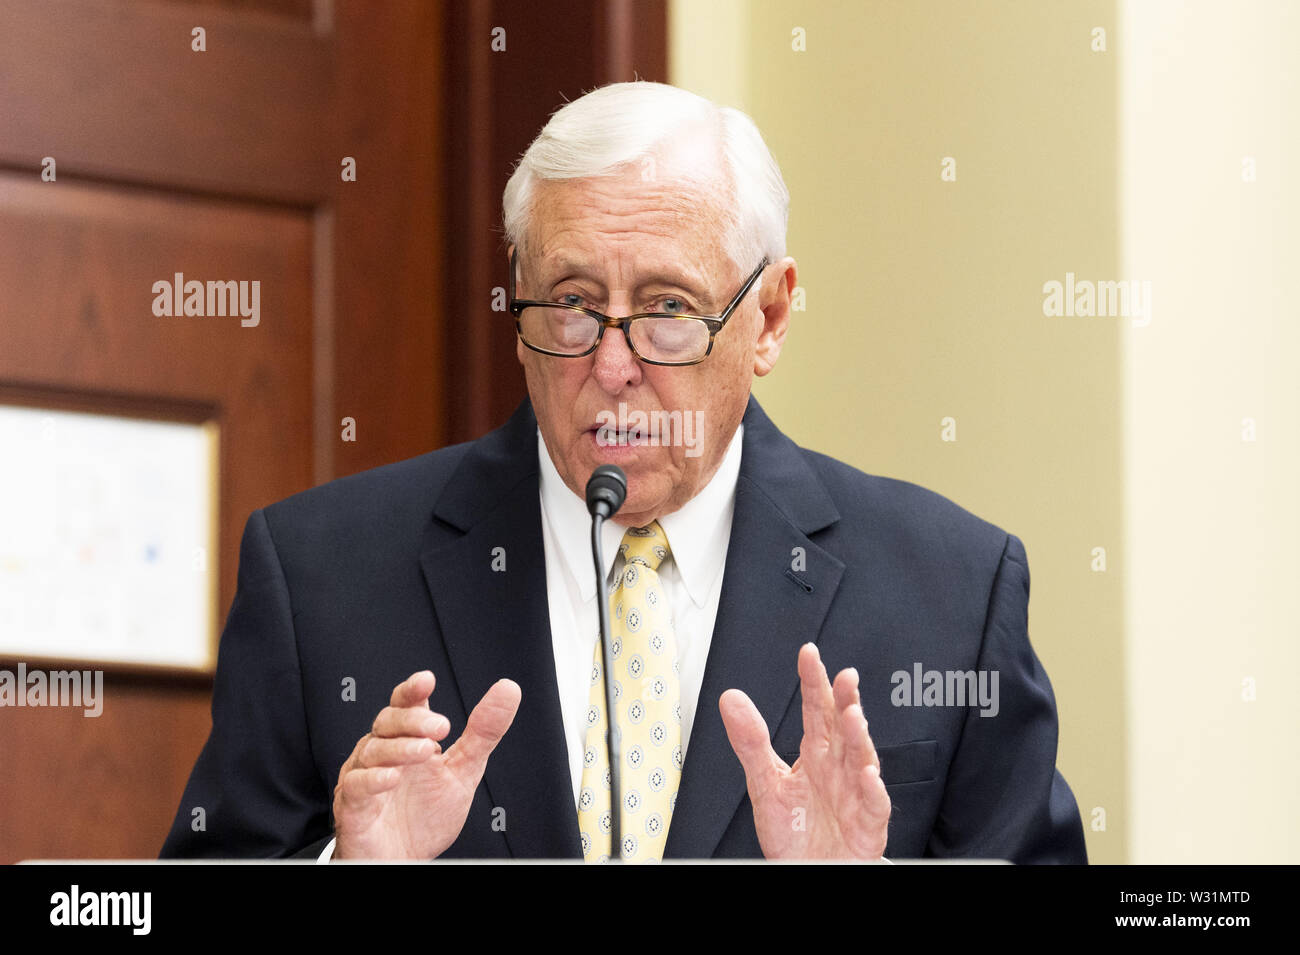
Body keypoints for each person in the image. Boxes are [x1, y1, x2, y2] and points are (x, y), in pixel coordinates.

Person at [160, 81, 1086, 863]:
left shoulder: (953, 594)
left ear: (768, 317)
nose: (611, 364)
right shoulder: (320, 576)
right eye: (569, 304)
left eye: (667, 308)